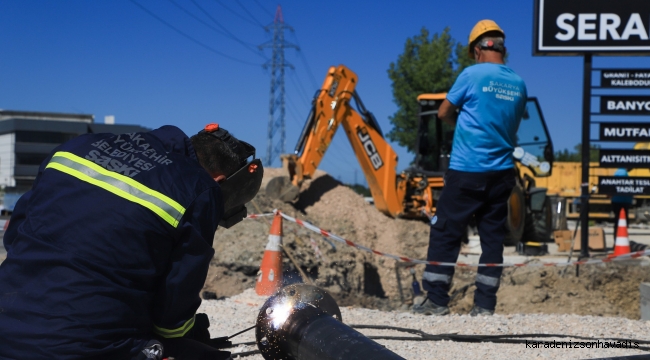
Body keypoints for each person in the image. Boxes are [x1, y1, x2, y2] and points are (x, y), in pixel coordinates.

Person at [0, 123, 263, 359]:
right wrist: (187, 335)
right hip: (84, 347)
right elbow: (172, 312)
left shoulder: (76, 147)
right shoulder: (199, 189)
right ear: (219, 181)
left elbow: (15, 236)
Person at [412, 19, 527, 316]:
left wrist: (459, 122)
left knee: (446, 231)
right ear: (502, 48)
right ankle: (485, 305)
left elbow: (443, 112)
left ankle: (436, 301)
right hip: (502, 173)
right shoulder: (518, 83)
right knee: (492, 239)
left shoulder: (472, 75)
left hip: (467, 170)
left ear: (478, 50)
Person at [611, 168, 634, 242]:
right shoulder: (621, 172)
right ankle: (618, 240)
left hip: (620, 200)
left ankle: (619, 240)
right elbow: (617, 184)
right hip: (621, 200)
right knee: (620, 222)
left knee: (620, 221)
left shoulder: (622, 172)